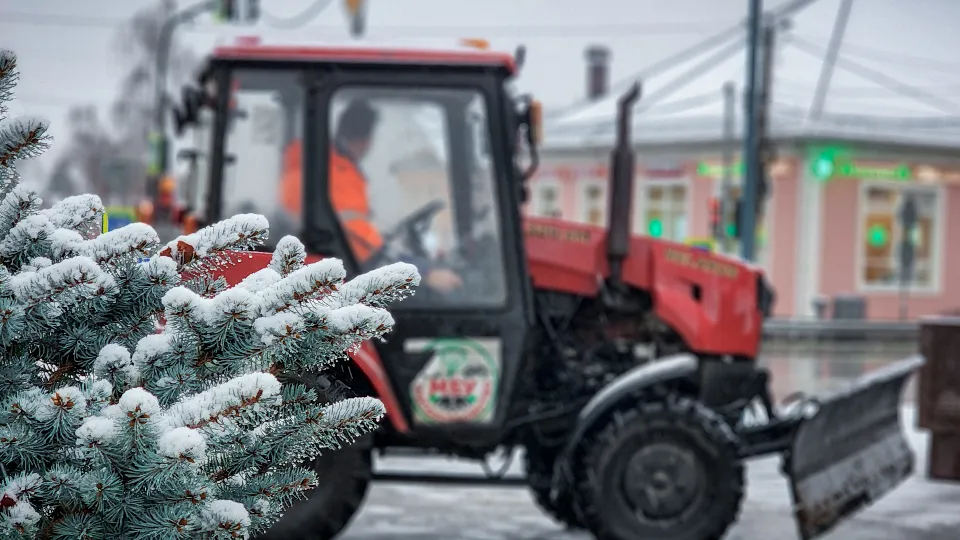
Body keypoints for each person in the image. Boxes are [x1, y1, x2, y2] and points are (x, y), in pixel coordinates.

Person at [279, 99, 463, 293]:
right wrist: (423, 273)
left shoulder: (311, 167)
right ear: (365, 140)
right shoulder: (335, 174)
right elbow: (364, 249)